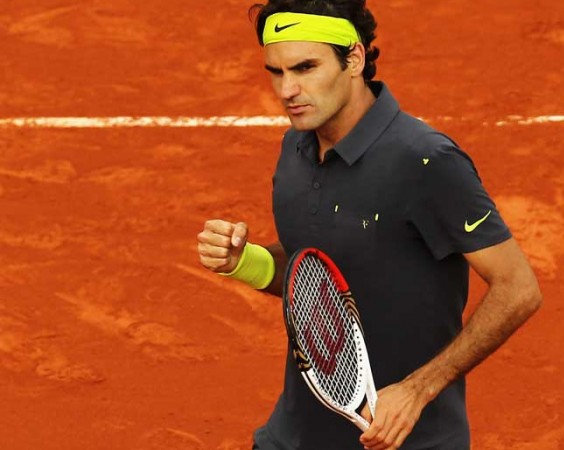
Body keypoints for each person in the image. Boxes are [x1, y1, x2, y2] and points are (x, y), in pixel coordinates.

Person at [197, 0, 542, 449]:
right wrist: (247, 262)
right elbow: (316, 273)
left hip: (407, 440)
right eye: (276, 72)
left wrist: (417, 389)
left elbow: (518, 288)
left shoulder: (424, 160)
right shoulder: (295, 150)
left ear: (354, 59)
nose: (287, 90)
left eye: (305, 68)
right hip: (295, 437)